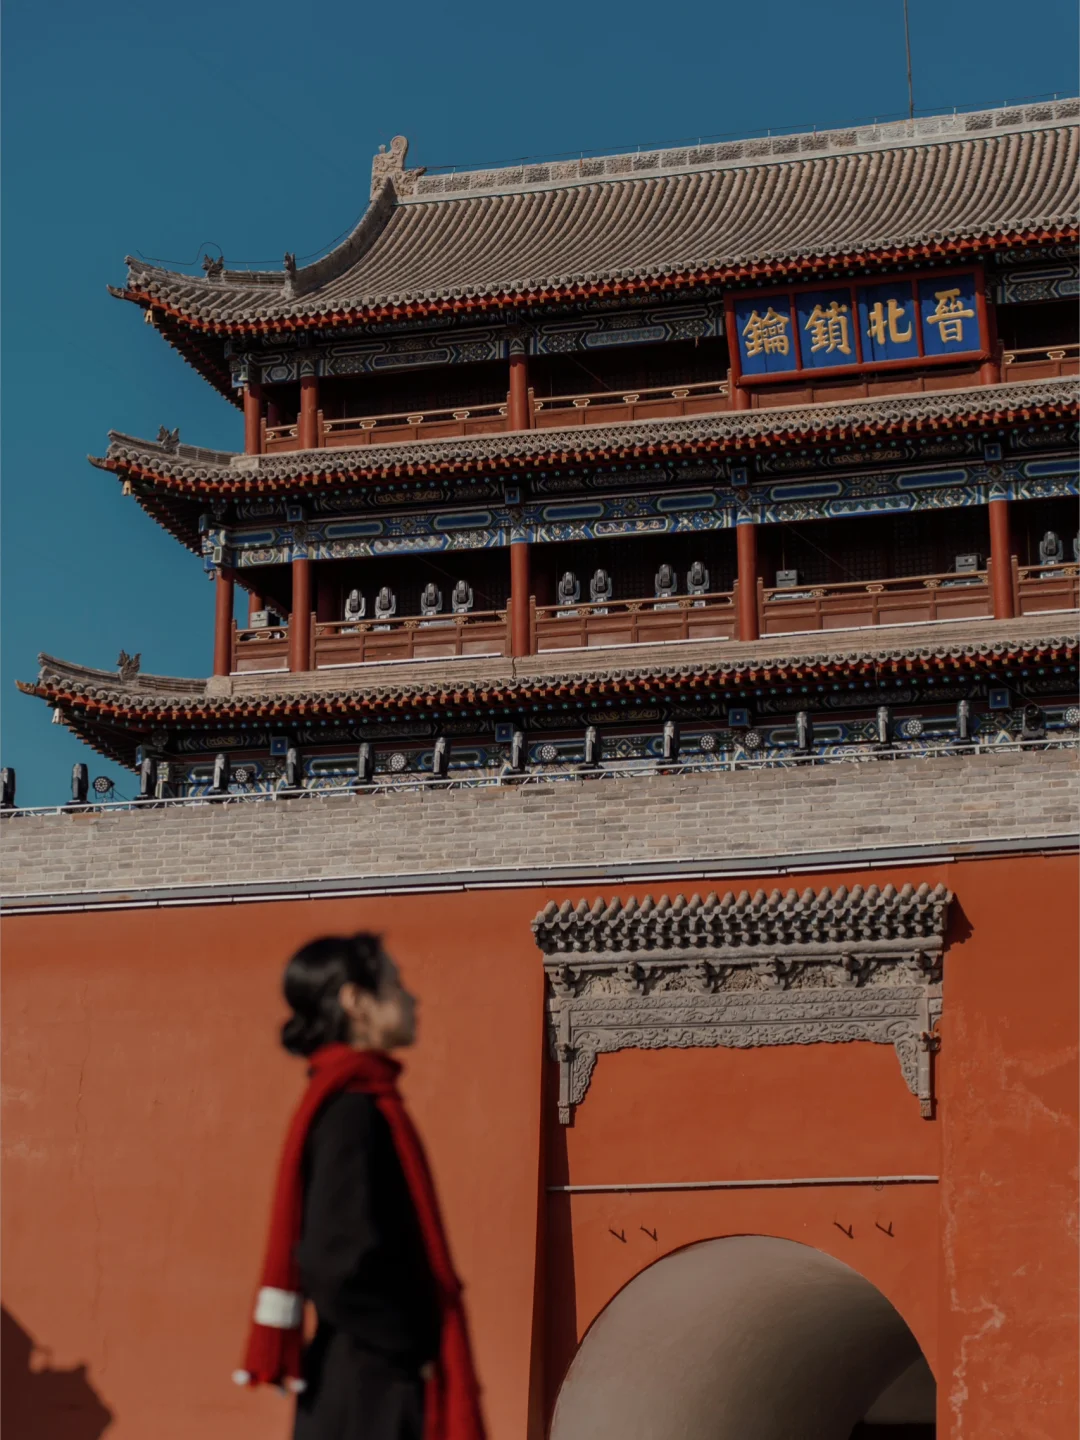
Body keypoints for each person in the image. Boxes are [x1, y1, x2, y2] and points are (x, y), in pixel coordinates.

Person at [234, 933, 486, 1440]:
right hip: (372, 1399)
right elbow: (334, 1262)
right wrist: (411, 1344)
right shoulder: (353, 1113)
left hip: (363, 1385)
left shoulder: (353, 1103)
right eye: (395, 985)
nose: (412, 999)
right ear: (355, 1000)